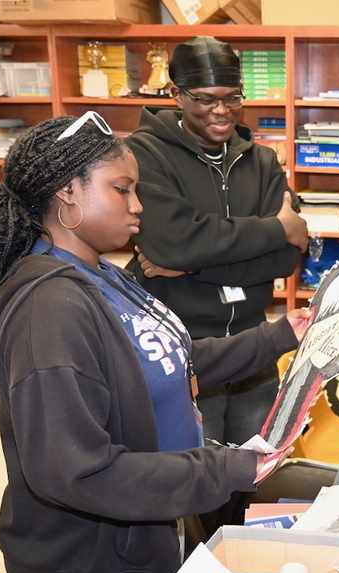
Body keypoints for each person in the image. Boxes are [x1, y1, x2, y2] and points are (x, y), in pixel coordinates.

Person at [0, 112, 310, 573]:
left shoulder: (101, 274)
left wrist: (284, 334)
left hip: (142, 533)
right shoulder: (50, 309)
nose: (138, 206)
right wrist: (228, 468)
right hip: (91, 571)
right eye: (122, 190)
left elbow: (174, 359)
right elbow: (78, 472)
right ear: (68, 193)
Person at [126, 36, 307, 450]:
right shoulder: (143, 154)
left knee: (256, 472)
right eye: (206, 99)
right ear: (176, 94)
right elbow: (174, 244)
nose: (222, 111)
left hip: (254, 349)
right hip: (179, 349)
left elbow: (284, 259)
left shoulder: (260, 160)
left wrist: (195, 266)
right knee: (192, 484)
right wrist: (276, 229)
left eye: (232, 98)